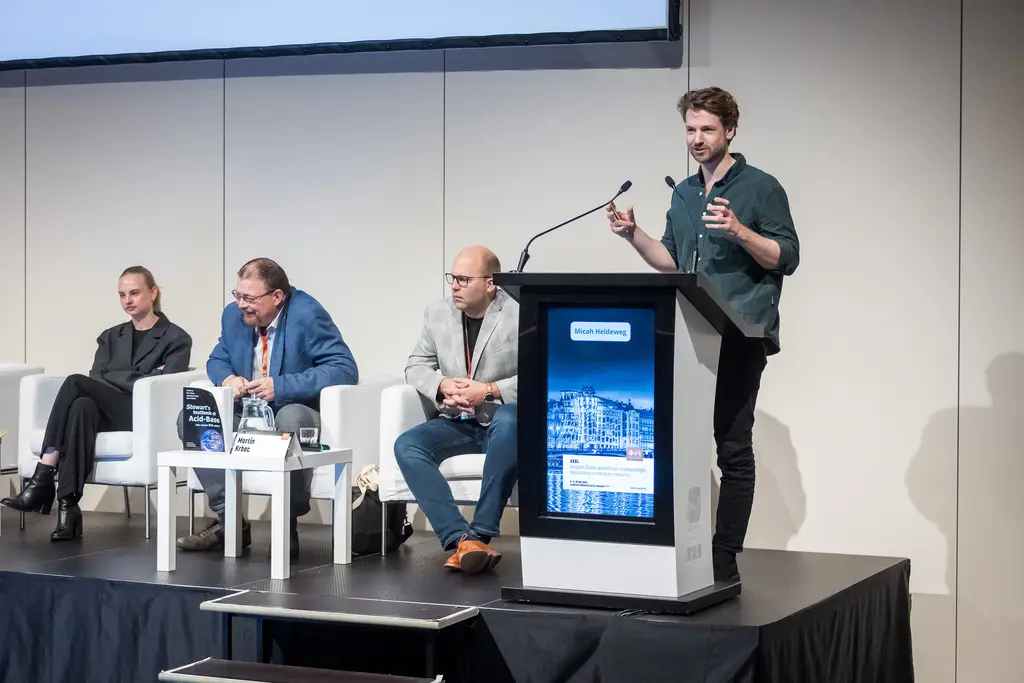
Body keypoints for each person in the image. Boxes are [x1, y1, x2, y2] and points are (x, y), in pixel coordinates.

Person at [607, 86, 800, 583]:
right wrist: (634, 236)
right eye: (690, 129)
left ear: (730, 131)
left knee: (732, 447)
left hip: (740, 333)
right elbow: (671, 260)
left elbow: (787, 256)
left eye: (707, 129)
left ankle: (724, 558)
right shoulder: (684, 193)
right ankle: (677, 547)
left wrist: (740, 232)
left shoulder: (761, 187)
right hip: (689, 332)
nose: (697, 138)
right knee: (677, 442)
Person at [175, 257, 358, 558]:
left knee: (290, 417)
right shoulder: (233, 316)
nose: (241, 304)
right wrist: (228, 378)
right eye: (238, 295)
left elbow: (344, 368)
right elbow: (217, 359)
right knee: (192, 418)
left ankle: (287, 523)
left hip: (293, 408)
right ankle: (229, 521)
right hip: (248, 410)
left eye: (249, 298)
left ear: (277, 296)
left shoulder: (307, 313)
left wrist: (281, 386)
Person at [1, 266, 192, 541]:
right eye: (122, 295)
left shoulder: (176, 338)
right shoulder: (110, 336)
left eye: (135, 293)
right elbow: (97, 379)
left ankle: (44, 473)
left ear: (153, 293)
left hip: (141, 413)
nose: (128, 300)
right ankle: (68, 508)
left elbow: (161, 385)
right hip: (107, 407)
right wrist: (139, 375)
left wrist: (117, 377)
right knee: (82, 407)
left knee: (74, 382)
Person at [394, 246, 519, 576]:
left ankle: (481, 532)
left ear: (490, 283)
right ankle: (462, 539)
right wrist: (442, 385)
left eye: (464, 279)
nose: (454, 286)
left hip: (503, 419)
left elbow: (542, 372)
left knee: (510, 421)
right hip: (458, 420)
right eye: (452, 278)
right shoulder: (437, 313)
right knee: (407, 445)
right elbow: (416, 365)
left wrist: (489, 390)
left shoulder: (519, 313)